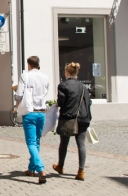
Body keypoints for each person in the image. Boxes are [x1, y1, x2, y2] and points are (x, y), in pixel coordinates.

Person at [52, 62, 92, 181]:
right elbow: (88, 102)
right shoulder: (83, 86)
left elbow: (61, 103)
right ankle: (81, 171)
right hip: (83, 118)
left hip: (68, 118)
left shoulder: (63, 85)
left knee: (64, 143)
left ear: (67, 73)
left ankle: (60, 166)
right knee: (81, 144)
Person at [15, 56, 50, 184]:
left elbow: (19, 94)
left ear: (28, 64)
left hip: (30, 112)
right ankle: (31, 169)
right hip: (41, 112)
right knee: (37, 141)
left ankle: (41, 169)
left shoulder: (26, 76)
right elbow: (45, 92)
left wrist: (17, 103)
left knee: (31, 143)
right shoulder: (46, 77)